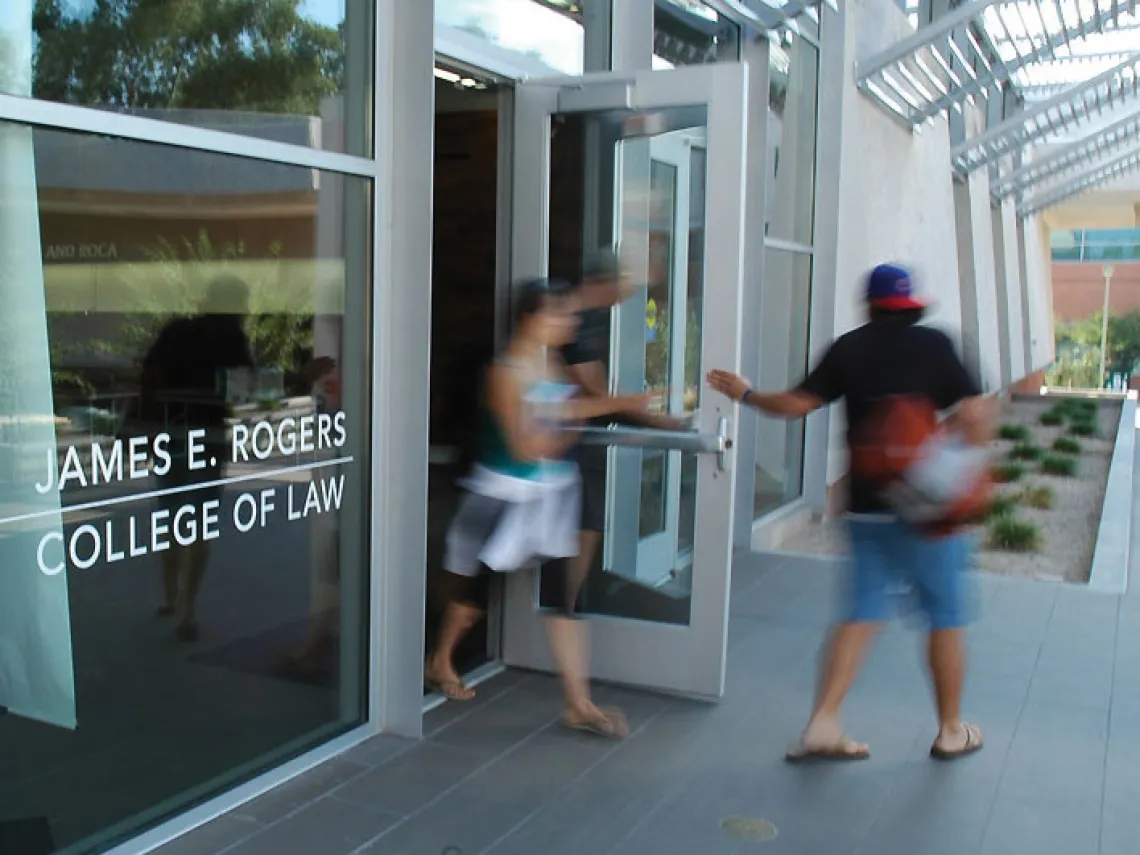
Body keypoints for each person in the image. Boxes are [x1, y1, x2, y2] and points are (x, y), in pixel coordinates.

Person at [707, 263, 994, 763]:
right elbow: (974, 415)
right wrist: (954, 464)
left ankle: (823, 723)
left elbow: (797, 404)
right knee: (945, 618)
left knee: (860, 614)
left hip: (867, 508)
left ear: (869, 305)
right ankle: (950, 730)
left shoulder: (849, 348)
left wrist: (745, 394)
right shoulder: (936, 345)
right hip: (931, 515)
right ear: (911, 304)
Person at [424, 278, 653, 738]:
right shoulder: (503, 373)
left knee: (563, 601)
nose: (569, 323)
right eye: (560, 314)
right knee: (470, 596)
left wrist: (611, 408)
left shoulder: (550, 363)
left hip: (548, 496)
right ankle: (440, 659)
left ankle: (578, 702)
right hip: (500, 497)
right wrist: (575, 424)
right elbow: (526, 444)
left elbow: (567, 415)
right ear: (531, 319)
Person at [559, 250, 689, 612]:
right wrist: (659, 421)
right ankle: (563, 607)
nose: (627, 295)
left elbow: (598, 395)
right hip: (559, 439)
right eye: (622, 286)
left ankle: (569, 606)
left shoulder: (592, 317)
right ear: (599, 281)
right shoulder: (571, 319)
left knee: (587, 524)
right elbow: (596, 394)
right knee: (580, 524)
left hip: (581, 433)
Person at [139, 275, 255, 642]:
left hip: (169, 430)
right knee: (200, 522)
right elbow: (241, 389)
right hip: (207, 435)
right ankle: (188, 610)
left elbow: (147, 374)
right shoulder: (232, 338)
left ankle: (169, 596)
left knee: (171, 514)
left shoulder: (176, 330)